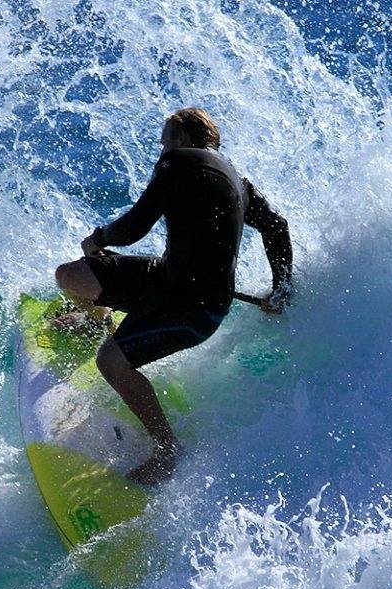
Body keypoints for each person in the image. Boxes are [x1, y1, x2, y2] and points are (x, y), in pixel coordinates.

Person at [54, 107, 293, 485]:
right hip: (168, 279)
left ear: (182, 138)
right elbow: (277, 226)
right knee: (71, 276)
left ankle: (167, 450)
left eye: (165, 141)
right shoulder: (237, 179)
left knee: (111, 362)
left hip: (193, 307)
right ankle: (96, 320)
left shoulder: (179, 161)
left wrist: (97, 239)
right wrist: (281, 290)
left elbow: (134, 227)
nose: (162, 151)